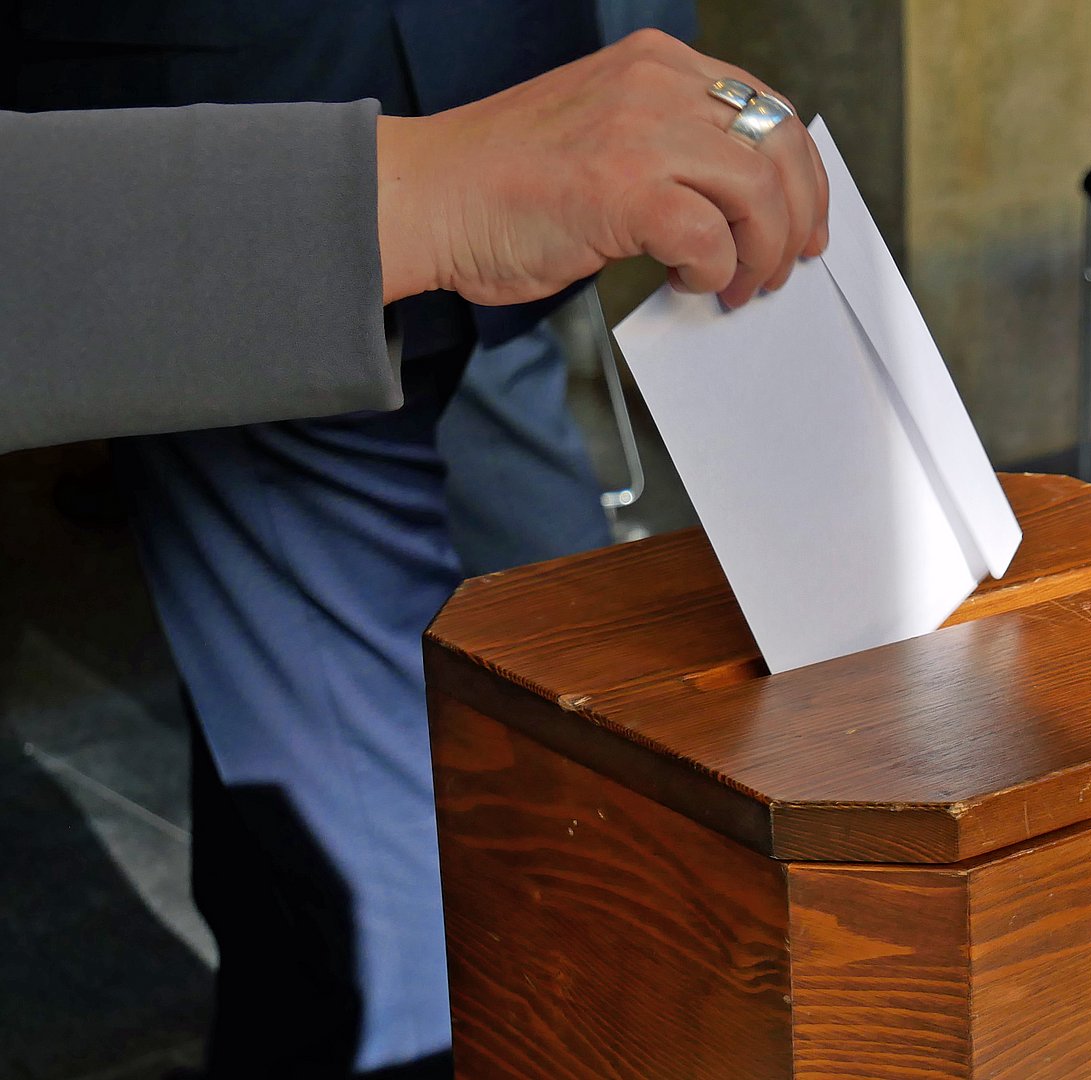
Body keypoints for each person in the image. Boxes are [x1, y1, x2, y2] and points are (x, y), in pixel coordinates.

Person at [1, 26, 827, 1078]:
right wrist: (415, 196)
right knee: (397, 921)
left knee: (610, 789)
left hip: (531, 171)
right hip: (249, 172)